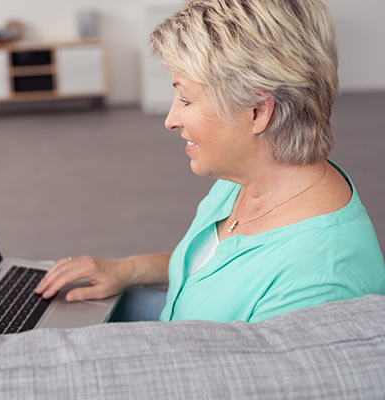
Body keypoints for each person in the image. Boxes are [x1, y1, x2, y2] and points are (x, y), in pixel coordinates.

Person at [35, 0, 385, 323]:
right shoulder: (246, 175)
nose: (170, 120)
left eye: (186, 100)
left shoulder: (319, 283)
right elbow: (214, 266)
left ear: (257, 111)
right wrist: (128, 270)